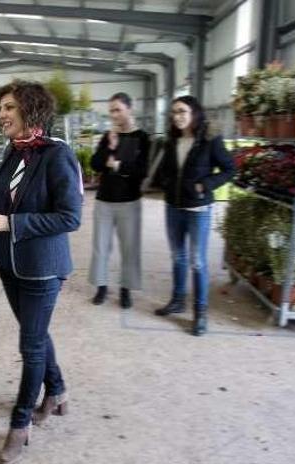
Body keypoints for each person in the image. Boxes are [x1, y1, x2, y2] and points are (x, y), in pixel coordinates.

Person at [0, 80, 82, 464]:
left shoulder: (57, 155)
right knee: (35, 335)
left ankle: (19, 424)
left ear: (30, 109)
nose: (1, 115)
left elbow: (70, 216)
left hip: (41, 268)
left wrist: (14, 224)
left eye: (8, 107)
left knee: (30, 345)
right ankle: (56, 391)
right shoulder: (15, 152)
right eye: (0, 107)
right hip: (10, 264)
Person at [151, 95, 235, 336]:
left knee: (197, 261)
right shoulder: (171, 141)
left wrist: (204, 185)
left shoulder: (210, 140)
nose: (177, 116)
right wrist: (167, 184)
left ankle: (200, 313)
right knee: (177, 257)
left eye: (182, 111)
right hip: (173, 207)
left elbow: (230, 169)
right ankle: (178, 301)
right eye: (174, 112)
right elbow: (166, 171)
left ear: (195, 113)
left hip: (198, 209)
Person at [88, 92, 150, 308]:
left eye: (118, 110)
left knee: (130, 247)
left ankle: (125, 289)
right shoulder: (108, 136)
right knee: (100, 246)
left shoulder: (142, 137)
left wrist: (117, 166)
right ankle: (101, 286)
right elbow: (95, 164)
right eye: (111, 110)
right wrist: (110, 147)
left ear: (129, 110)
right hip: (104, 199)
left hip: (130, 201)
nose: (114, 115)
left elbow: (141, 170)